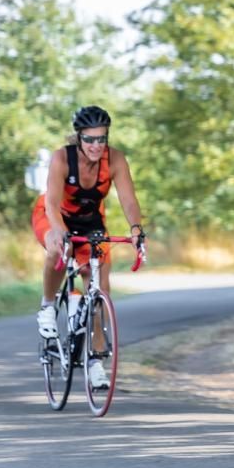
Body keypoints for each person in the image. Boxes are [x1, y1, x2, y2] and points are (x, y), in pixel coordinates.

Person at [31, 105, 144, 388]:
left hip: (91, 222)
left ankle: (95, 363)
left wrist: (135, 229)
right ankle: (46, 306)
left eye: (102, 138)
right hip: (54, 215)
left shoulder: (115, 159)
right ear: (78, 137)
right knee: (58, 247)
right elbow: (52, 204)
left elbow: (129, 200)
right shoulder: (62, 158)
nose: (96, 145)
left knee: (99, 291)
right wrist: (58, 231)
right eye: (90, 139)